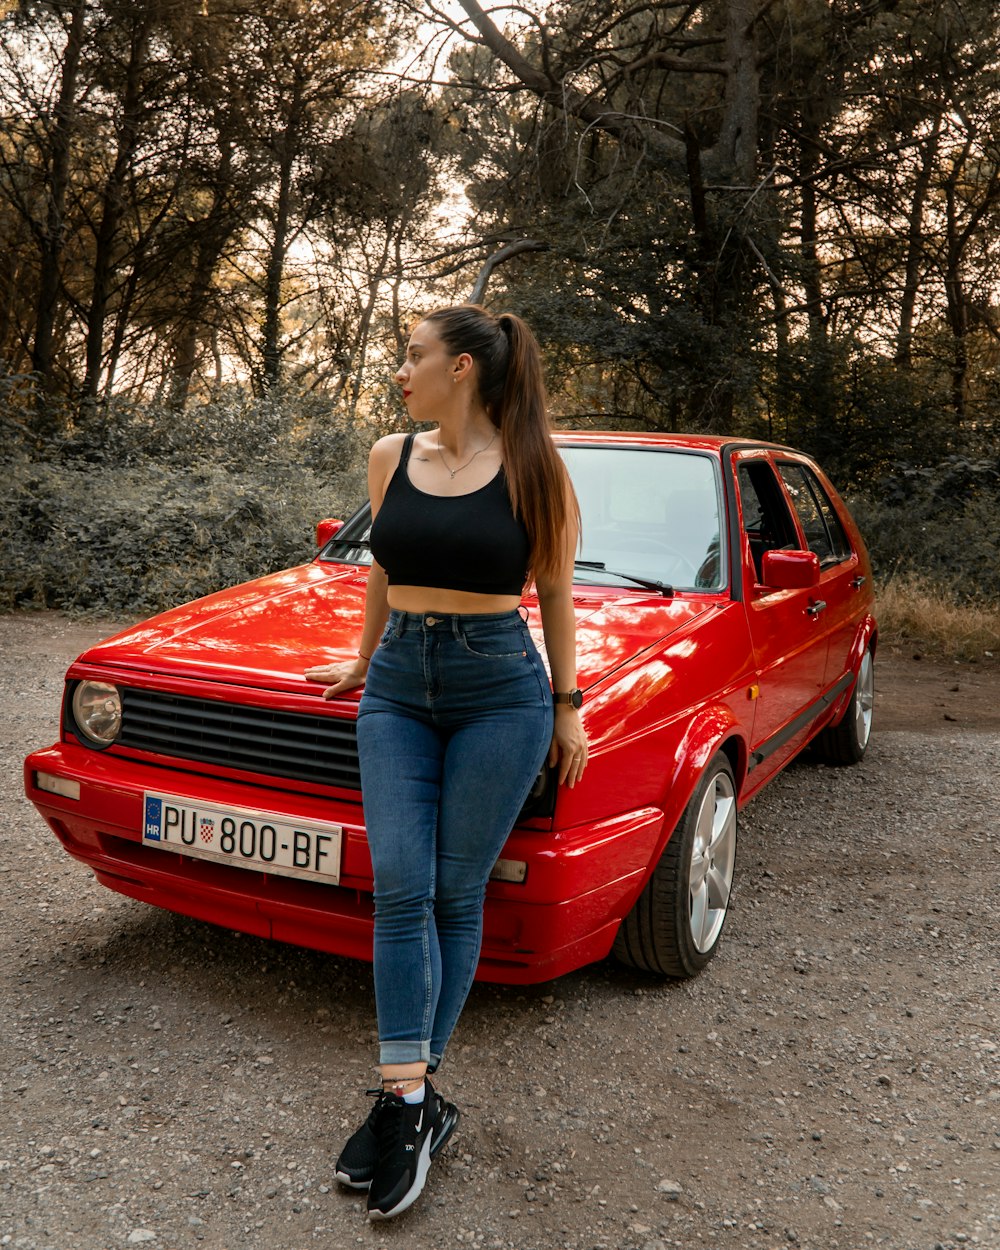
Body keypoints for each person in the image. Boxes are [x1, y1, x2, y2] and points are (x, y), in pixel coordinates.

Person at [304, 303, 588, 1220]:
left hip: (499, 690)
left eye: (414, 356)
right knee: (398, 885)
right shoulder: (391, 456)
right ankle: (412, 1099)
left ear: (461, 368)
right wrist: (361, 653)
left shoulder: (539, 470)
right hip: (395, 688)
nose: (402, 371)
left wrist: (566, 708)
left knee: (456, 895)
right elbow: (387, 568)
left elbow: (554, 596)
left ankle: (406, 1098)